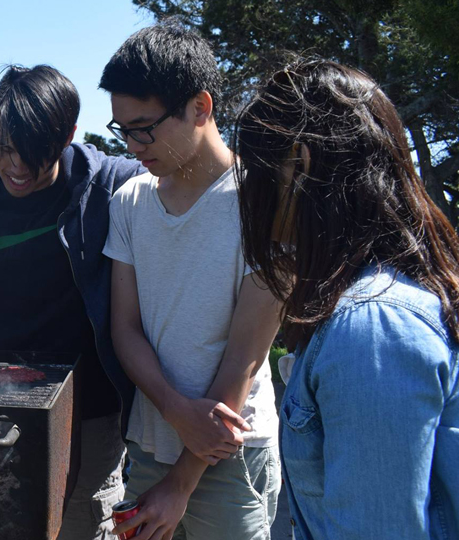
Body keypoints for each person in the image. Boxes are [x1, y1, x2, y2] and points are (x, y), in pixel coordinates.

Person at [234, 58, 459, 539]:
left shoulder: (371, 329)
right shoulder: (387, 298)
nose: (246, 194)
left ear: (298, 165)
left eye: (254, 172)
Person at [0, 64, 146, 540]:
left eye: (36, 154)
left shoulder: (110, 184)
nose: (16, 167)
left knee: (81, 522)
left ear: (69, 135)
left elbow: (188, 179)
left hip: (93, 411)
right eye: (4, 148)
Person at [100, 20, 282, 540]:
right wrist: (176, 410)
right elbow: (125, 328)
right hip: (152, 441)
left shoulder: (264, 203)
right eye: (122, 130)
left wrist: (183, 481)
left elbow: (246, 354)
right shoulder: (130, 202)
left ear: (200, 108)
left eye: (144, 127)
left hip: (232, 454)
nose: (133, 145)